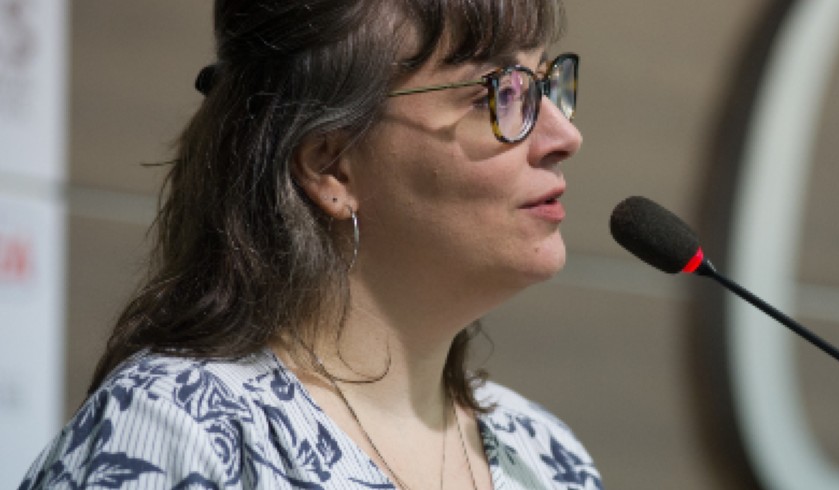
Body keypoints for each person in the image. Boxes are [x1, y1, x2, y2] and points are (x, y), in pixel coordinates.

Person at [20, 0, 601, 488]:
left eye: (545, 83)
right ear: (331, 166)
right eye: (500, 92)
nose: (564, 135)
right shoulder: (181, 430)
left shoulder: (550, 457)